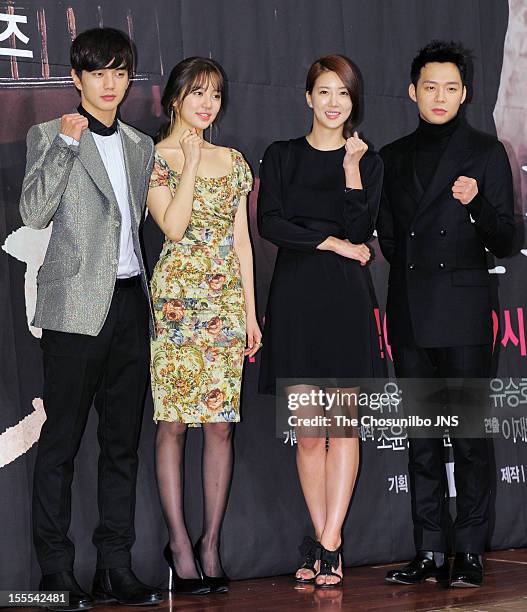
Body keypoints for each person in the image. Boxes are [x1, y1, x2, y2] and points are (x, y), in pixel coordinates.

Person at [19, 28, 163, 610]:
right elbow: (34, 211)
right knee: (60, 444)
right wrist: (67, 145)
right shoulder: (48, 134)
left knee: (122, 444)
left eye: (119, 72)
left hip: (130, 304)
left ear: (128, 78)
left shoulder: (138, 143)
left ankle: (114, 566)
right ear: (75, 79)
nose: (109, 83)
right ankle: (55, 572)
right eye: (97, 72)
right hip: (74, 308)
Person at [378, 40, 514, 588]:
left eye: (451, 88)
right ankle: (430, 550)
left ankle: (471, 550)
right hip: (411, 310)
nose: (440, 96)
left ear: (466, 93)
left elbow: (506, 238)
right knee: (422, 437)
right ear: (413, 92)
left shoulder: (486, 152)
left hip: (462, 311)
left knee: (471, 436)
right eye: (429, 86)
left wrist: (477, 203)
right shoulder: (391, 156)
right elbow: (389, 237)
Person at [257, 55, 383, 587]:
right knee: (310, 435)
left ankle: (330, 542)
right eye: (324, 92)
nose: (334, 103)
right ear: (308, 97)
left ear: (354, 103)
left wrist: (352, 171)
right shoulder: (282, 156)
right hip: (296, 299)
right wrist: (330, 241)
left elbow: (364, 228)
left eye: (344, 94)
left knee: (342, 427)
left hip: (346, 302)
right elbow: (271, 224)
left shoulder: (367, 161)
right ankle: (321, 535)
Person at [147, 57, 261, 595]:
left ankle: (211, 541)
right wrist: (189, 160)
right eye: (196, 93)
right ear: (174, 99)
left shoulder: (235, 161)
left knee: (220, 424)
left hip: (224, 304)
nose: (206, 103)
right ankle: (178, 544)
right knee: (171, 423)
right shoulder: (153, 157)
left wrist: (251, 314)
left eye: (214, 94)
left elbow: (242, 242)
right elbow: (172, 225)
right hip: (176, 303)